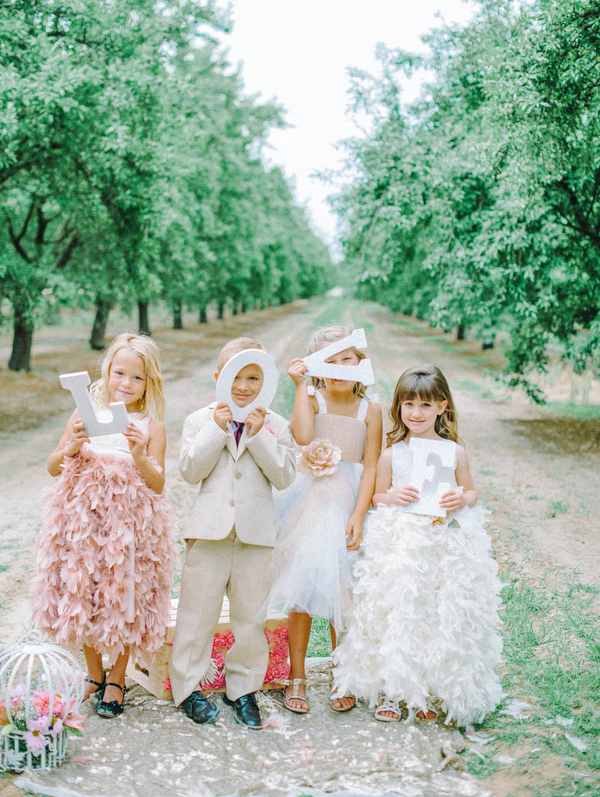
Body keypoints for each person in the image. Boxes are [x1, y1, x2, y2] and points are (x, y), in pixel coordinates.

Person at [332, 364, 502, 727]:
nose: (417, 413)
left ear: (442, 407)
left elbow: (470, 490)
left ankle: (423, 689)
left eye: (425, 406)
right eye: (408, 405)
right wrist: (392, 496)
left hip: (444, 540)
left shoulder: (454, 452)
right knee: (399, 610)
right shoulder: (393, 454)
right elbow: (377, 496)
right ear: (398, 408)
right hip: (401, 543)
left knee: (435, 611)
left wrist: (462, 498)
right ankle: (393, 690)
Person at [31, 333, 174, 718]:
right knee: (85, 594)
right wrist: (72, 445)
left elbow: (158, 483)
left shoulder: (150, 426)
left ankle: (118, 675)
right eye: (119, 373)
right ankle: (93, 672)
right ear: (107, 372)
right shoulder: (83, 414)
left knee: (126, 596)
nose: (126, 384)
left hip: (130, 528)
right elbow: (52, 467)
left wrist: (139, 454)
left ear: (150, 383)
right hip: (85, 523)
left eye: (137, 378)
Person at [168, 337, 296, 730]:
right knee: (196, 612)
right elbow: (190, 471)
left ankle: (242, 688)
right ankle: (187, 687)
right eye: (234, 376)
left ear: (266, 381)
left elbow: (285, 475)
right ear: (218, 377)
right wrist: (216, 428)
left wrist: (258, 436)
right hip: (209, 533)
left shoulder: (275, 424)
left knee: (249, 617)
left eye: (253, 377)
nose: (243, 386)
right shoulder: (199, 419)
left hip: (256, 536)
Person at [262, 325, 382, 714]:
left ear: (361, 363)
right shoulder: (313, 398)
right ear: (317, 369)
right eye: (329, 362)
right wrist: (300, 387)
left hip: (349, 502)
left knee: (342, 592)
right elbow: (301, 436)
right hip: (310, 499)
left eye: (347, 359)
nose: (340, 369)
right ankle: (297, 673)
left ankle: (341, 671)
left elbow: (371, 466)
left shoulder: (372, 410)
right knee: (303, 590)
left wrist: (360, 514)